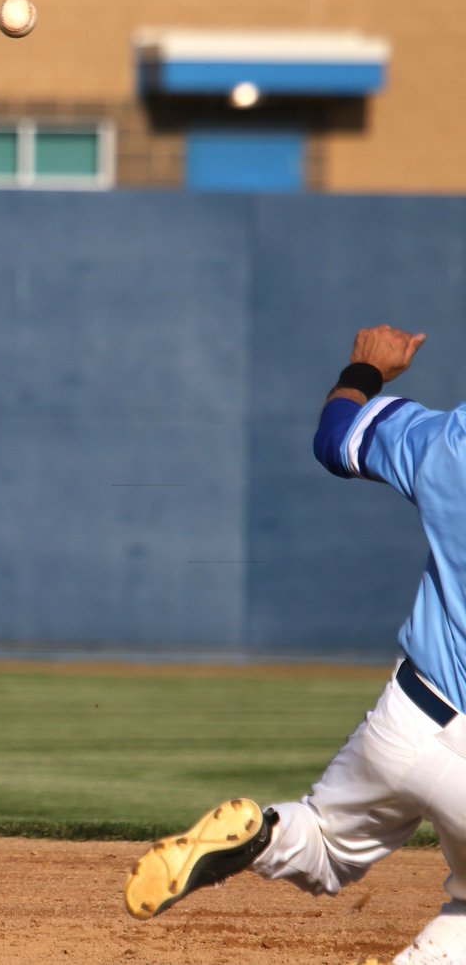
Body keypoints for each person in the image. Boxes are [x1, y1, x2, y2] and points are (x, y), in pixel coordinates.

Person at [123, 323, 466, 965]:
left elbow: (336, 440)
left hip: (409, 715)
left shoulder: (451, 441)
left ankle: (259, 836)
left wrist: (365, 372)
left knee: (324, 843)